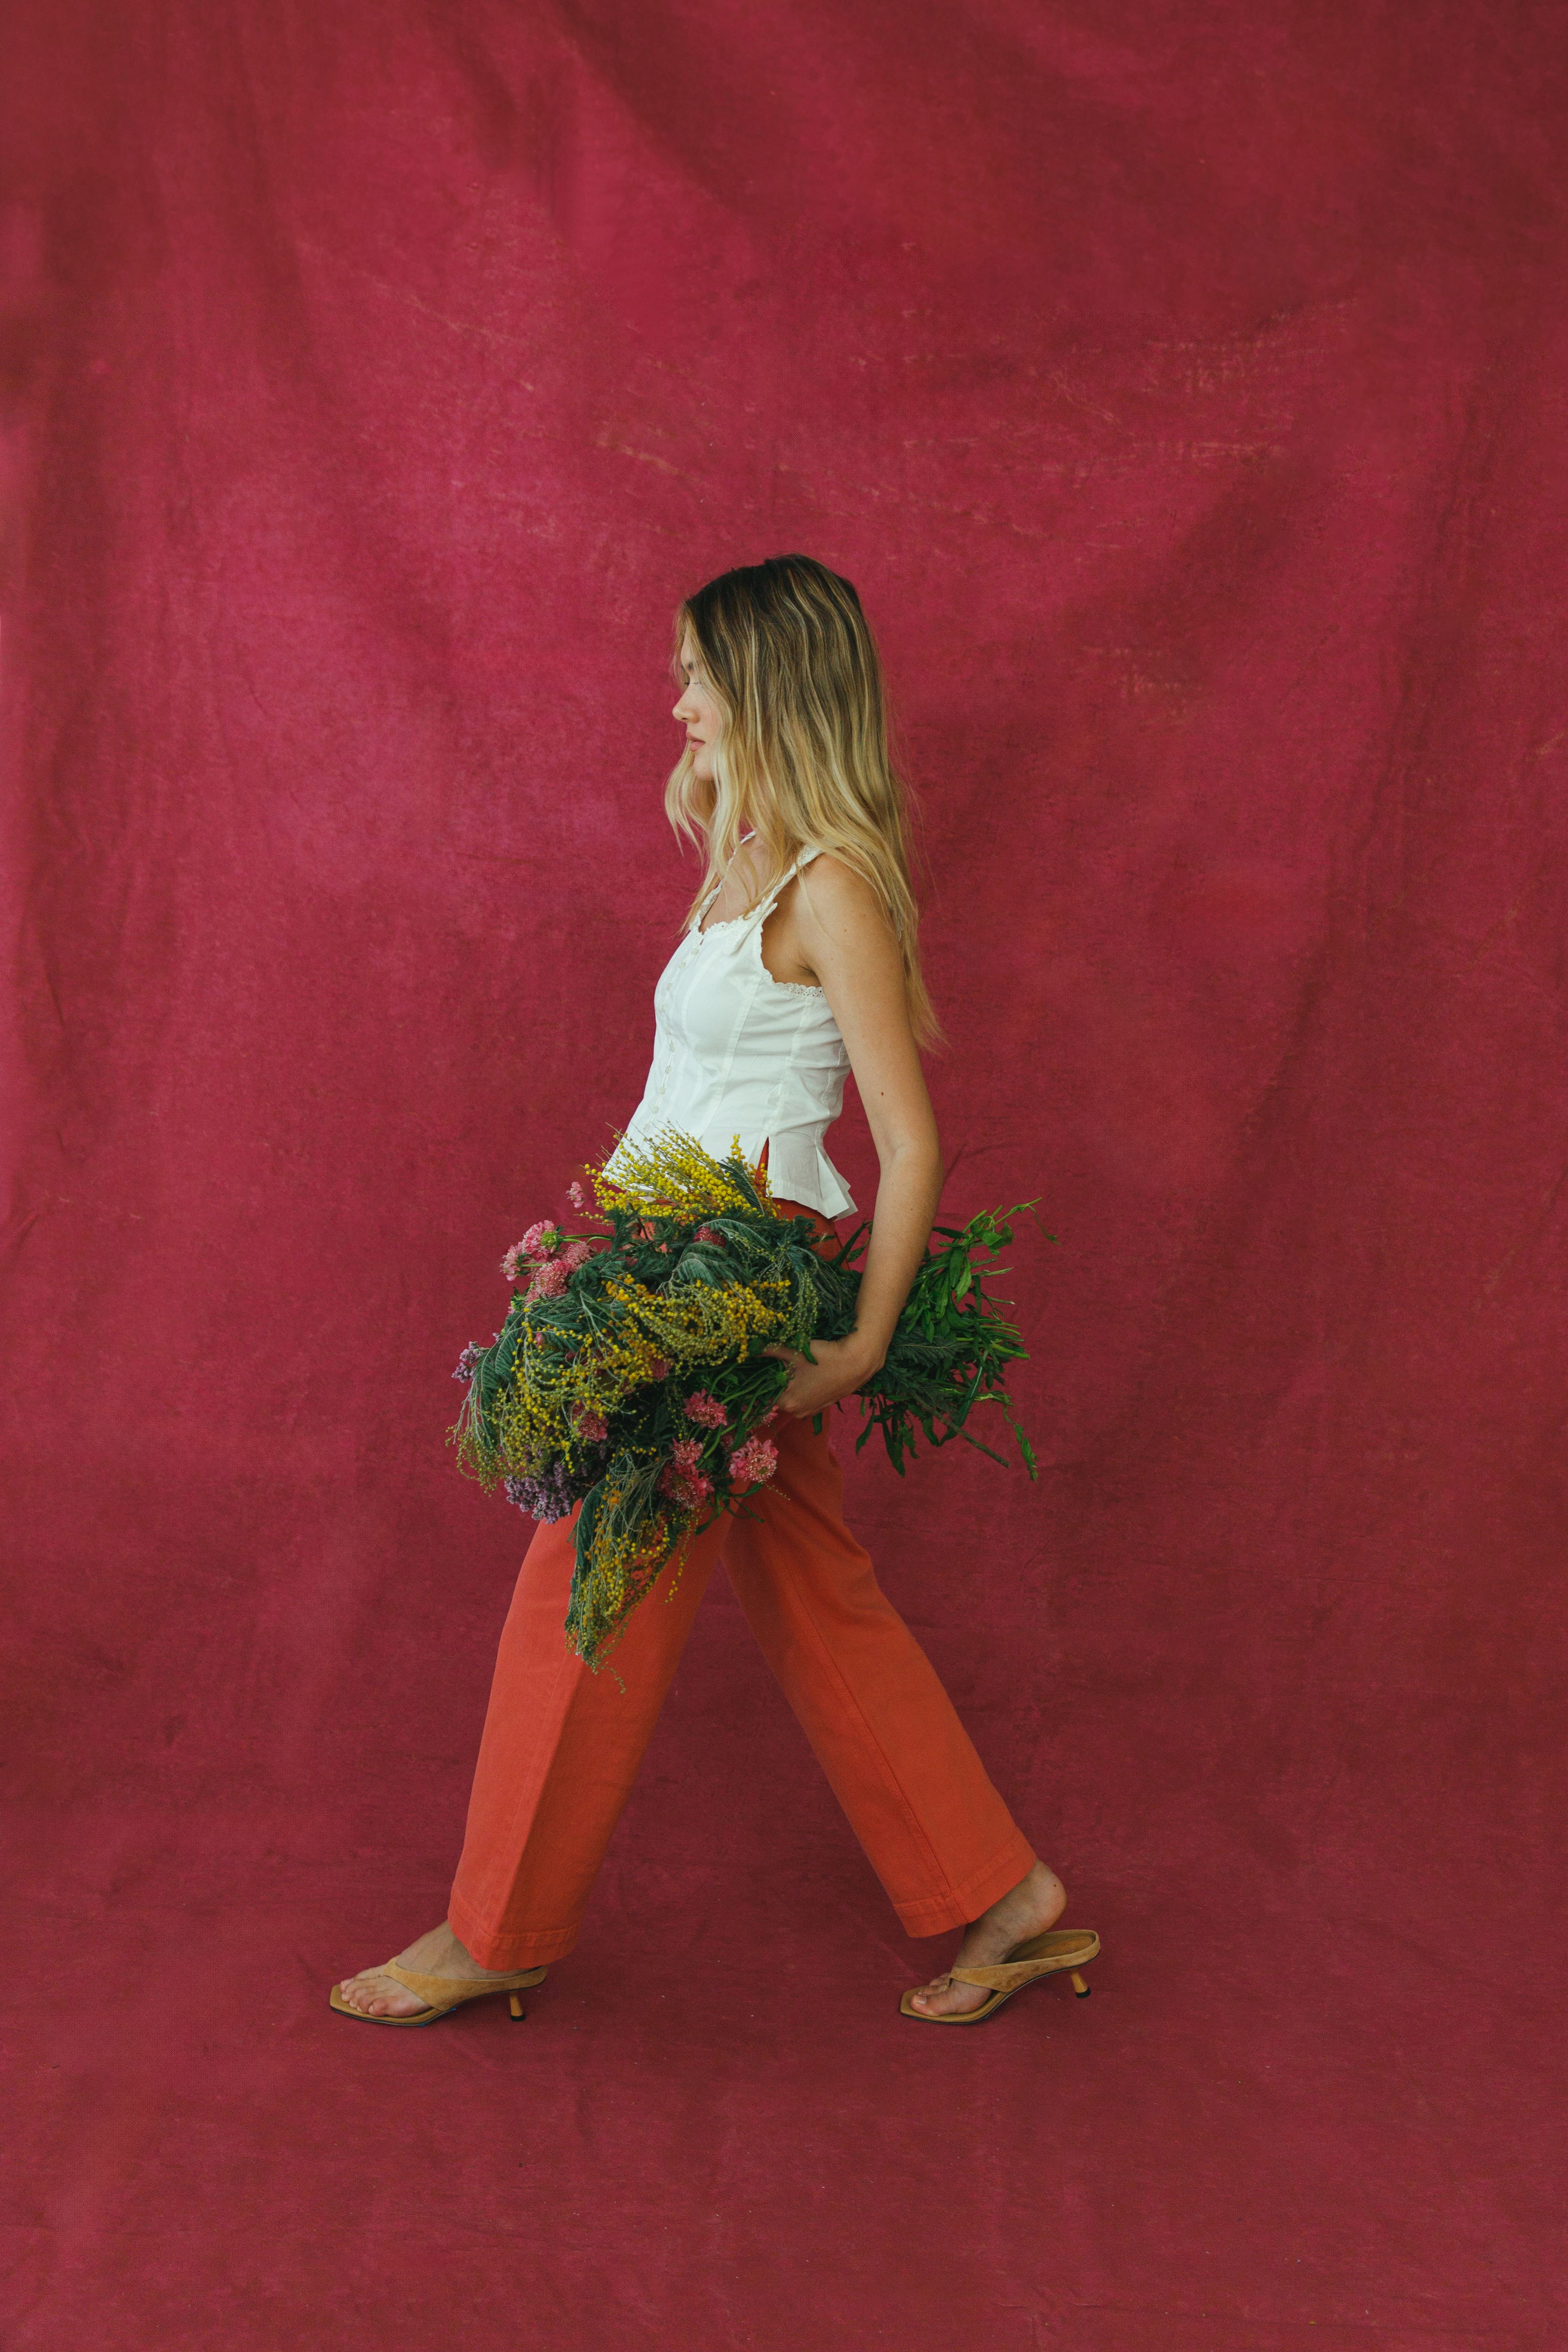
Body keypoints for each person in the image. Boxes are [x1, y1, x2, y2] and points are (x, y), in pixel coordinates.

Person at [332, 555, 1097, 2028]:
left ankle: (497, 1928)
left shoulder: (833, 891)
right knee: (815, 1589)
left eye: (695, 672)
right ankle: (1006, 1896)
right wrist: (603, 1256)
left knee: (589, 1575)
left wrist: (861, 1342)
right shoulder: (740, 869)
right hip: (662, 1269)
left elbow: (911, 1136)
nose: (674, 698)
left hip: (731, 1298)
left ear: (765, 690)